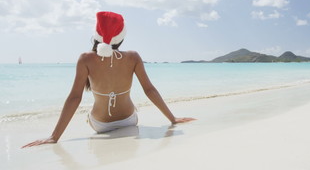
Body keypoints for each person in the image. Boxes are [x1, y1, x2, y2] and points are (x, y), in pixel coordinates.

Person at [23, 11, 195, 148]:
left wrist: (54, 137)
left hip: (99, 124)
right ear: (122, 37)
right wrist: (172, 119)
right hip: (129, 120)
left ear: (96, 35)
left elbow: (75, 98)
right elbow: (149, 90)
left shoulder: (85, 59)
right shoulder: (133, 57)